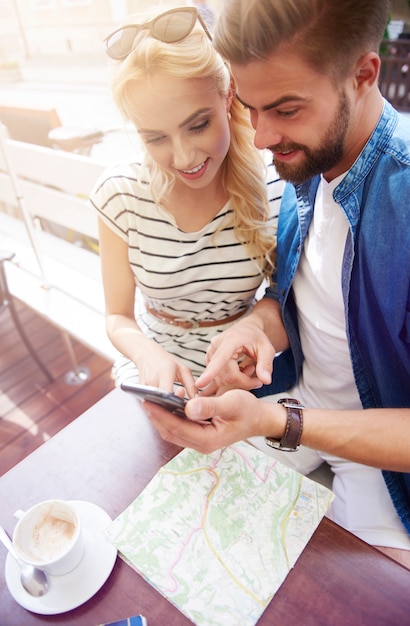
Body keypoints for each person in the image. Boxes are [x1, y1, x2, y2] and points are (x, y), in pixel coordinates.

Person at [144, 0, 410, 574]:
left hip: (386, 463)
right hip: (299, 407)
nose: (263, 137)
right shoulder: (308, 166)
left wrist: (278, 423)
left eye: (285, 109)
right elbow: (296, 296)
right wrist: (254, 329)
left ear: (364, 74)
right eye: (248, 108)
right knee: (183, 528)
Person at [90, 3, 282, 398]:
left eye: (198, 125)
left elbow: (282, 302)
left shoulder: (276, 186)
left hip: (240, 377)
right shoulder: (120, 195)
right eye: (155, 137)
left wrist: (250, 343)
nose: (184, 158)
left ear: (229, 93)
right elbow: (118, 317)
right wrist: (147, 355)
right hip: (151, 373)